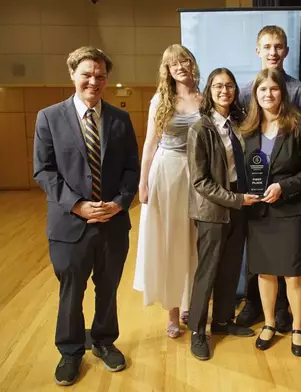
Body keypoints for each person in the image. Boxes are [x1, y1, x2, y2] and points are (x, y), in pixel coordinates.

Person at [33, 46, 140, 386]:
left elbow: (131, 169)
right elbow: (44, 171)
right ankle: (70, 350)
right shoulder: (48, 117)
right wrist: (77, 204)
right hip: (70, 224)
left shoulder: (120, 119)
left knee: (107, 288)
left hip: (112, 222)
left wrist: (120, 202)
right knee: (71, 290)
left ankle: (105, 342)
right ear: (73, 75)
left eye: (100, 75)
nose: (93, 81)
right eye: (87, 74)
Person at [239, 68, 301, 357]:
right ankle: (270, 323)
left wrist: (283, 187)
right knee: (264, 273)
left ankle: (298, 327)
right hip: (258, 213)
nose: (268, 94)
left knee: (292, 275)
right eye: (262, 90)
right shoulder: (247, 130)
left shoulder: (297, 125)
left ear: (282, 93)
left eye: (273, 89)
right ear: (255, 95)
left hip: (291, 211)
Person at [236, 24, 301, 332]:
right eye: (267, 46)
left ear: (286, 51)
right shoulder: (243, 91)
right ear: (258, 51)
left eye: (278, 46)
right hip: (255, 197)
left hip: (288, 197)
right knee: (258, 260)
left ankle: (283, 311)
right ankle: (255, 303)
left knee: (289, 265)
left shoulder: (300, 91)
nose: (273, 52)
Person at [186, 68, 259, 361]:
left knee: (230, 269)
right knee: (208, 270)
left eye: (229, 85)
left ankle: (221, 322)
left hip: (241, 205)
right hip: (213, 209)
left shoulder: (241, 124)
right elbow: (200, 181)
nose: (224, 90)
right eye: (218, 85)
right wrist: (235, 199)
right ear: (209, 90)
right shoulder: (200, 128)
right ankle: (197, 331)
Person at [133, 44, 201, 339]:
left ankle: (190, 303)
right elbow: (150, 143)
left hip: (198, 175)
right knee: (171, 240)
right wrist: (142, 182)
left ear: (191, 63)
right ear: (167, 69)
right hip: (167, 173)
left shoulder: (204, 97)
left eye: (184, 60)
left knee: (195, 241)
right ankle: (172, 311)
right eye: (173, 63)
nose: (180, 66)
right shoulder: (161, 99)